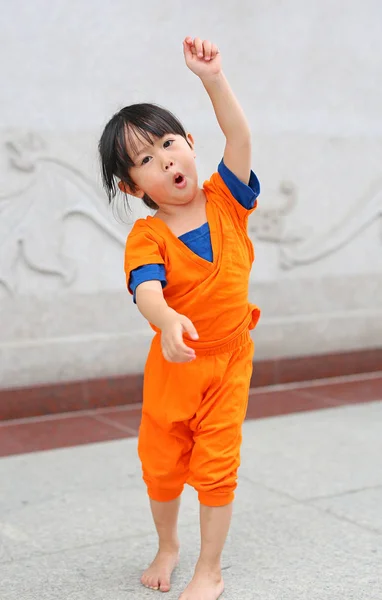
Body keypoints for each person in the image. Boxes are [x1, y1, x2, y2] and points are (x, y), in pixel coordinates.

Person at [99, 36, 261, 600]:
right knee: (163, 465)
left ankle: (209, 570)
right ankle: (167, 544)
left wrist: (212, 79)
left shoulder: (227, 201)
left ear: (191, 144)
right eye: (145, 159)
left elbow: (239, 136)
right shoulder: (147, 235)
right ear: (132, 185)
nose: (165, 159)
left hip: (229, 360)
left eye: (169, 143)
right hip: (175, 366)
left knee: (218, 464)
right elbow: (144, 286)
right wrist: (166, 319)